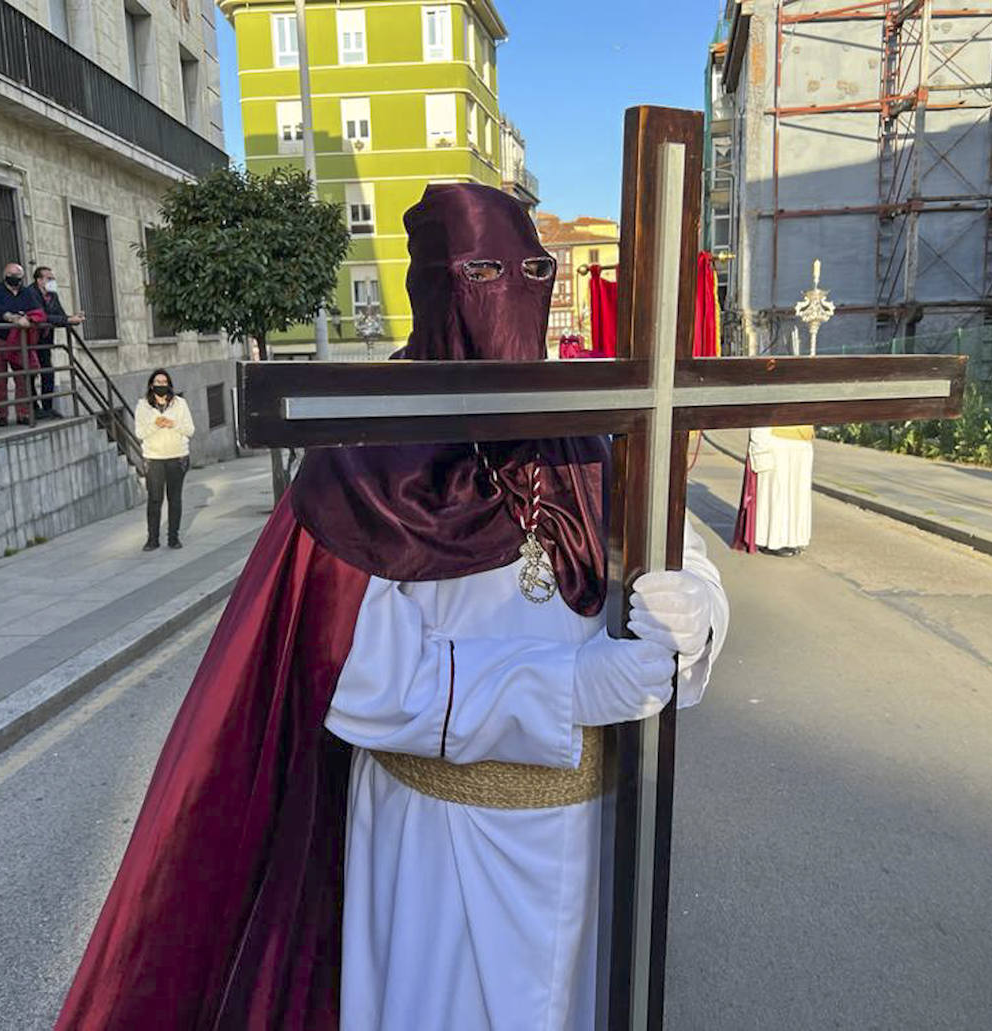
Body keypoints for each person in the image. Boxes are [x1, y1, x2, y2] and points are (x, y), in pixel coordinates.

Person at [55, 184, 730, 1030]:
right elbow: (353, 673)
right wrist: (564, 687)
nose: (507, 294)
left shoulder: (590, 430)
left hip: (592, 831)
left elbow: (678, 550)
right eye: (481, 272)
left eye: (529, 272)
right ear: (434, 288)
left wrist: (695, 608)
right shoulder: (370, 460)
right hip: (440, 846)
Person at [134, 369, 194, 551]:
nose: (161, 385)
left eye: (164, 382)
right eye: (158, 382)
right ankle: (152, 539)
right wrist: (155, 424)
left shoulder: (180, 404)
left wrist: (172, 424)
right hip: (154, 458)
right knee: (155, 499)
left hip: (177, 457)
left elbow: (190, 430)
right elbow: (140, 433)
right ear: (151, 385)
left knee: (174, 499)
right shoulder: (143, 406)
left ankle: (173, 538)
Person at [731, 424, 814, 556]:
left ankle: (791, 540)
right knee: (777, 496)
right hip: (778, 444)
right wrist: (760, 448)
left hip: (801, 444)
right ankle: (773, 541)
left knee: (797, 498)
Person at [21, 266, 85, 419]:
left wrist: (72, 318)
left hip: (45, 340)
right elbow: (41, 316)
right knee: (30, 374)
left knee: (48, 372)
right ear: (39, 280)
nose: (52, 281)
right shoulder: (30, 293)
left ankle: (47, 407)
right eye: (49, 278)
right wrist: (67, 319)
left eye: (52, 278)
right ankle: (34, 408)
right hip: (30, 340)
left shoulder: (52, 295)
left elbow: (59, 315)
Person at [0, 262, 43, 427]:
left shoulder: (27, 293)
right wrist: (13, 317)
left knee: (22, 377)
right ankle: (2, 415)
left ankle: (22, 413)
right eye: (11, 276)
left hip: (19, 340)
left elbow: (36, 309)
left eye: (17, 277)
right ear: (5, 276)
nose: (14, 279)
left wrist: (27, 318)